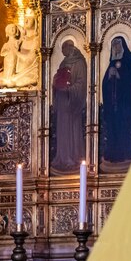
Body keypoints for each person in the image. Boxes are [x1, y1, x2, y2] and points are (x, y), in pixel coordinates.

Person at [100, 36, 131, 171]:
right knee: (113, 130)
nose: (116, 47)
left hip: (124, 105)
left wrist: (119, 75)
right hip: (112, 106)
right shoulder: (111, 63)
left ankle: (125, 154)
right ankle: (113, 154)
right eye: (113, 45)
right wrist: (109, 76)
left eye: (118, 45)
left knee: (124, 129)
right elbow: (104, 85)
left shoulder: (128, 60)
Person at [51, 40, 87, 174]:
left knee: (72, 129)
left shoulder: (79, 62)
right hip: (62, 101)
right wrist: (56, 82)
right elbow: (58, 80)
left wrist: (70, 89)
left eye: (64, 50)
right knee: (62, 130)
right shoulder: (63, 63)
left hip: (72, 102)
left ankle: (74, 157)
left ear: (69, 48)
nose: (63, 53)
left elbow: (81, 83)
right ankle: (63, 157)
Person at [0, 24, 21, 88]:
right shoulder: (6, 44)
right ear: (7, 32)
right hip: (8, 59)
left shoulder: (17, 42)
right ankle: (6, 80)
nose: (13, 29)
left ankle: (10, 80)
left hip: (15, 58)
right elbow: (2, 53)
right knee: (8, 68)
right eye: (11, 28)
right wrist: (7, 51)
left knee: (13, 68)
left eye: (14, 28)